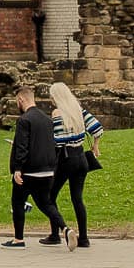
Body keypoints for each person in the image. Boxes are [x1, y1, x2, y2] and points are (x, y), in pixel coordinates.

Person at [5, 87, 68, 249]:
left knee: (18, 202)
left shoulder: (24, 120)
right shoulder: (47, 120)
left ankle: (18, 239)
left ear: (21, 100)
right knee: (46, 203)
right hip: (47, 169)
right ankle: (65, 229)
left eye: (17, 101)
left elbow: (22, 146)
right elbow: (49, 144)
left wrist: (17, 168)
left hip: (29, 171)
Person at [48, 81, 104, 249]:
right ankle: (84, 238)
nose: (50, 98)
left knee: (50, 196)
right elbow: (97, 128)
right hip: (81, 158)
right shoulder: (78, 110)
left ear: (56, 96)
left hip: (66, 158)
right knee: (77, 198)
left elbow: (58, 140)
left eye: (51, 95)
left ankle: (56, 233)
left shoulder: (57, 113)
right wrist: (95, 145)